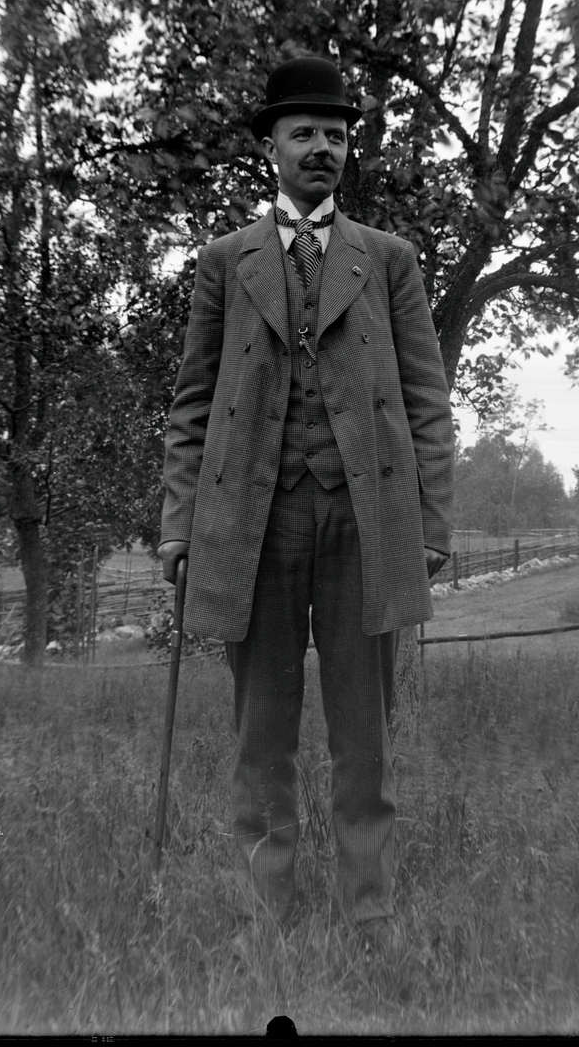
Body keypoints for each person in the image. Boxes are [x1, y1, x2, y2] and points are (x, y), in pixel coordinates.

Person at [157, 56, 454, 949]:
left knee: (365, 734)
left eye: (335, 133)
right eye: (303, 133)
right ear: (271, 148)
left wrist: (429, 522)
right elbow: (192, 403)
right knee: (262, 732)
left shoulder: (388, 260)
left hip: (367, 523)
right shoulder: (225, 261)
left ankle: (370, 909)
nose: (322, 147)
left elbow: (426, 400)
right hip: (252, 524)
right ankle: (268, 911)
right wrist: (179, 527)